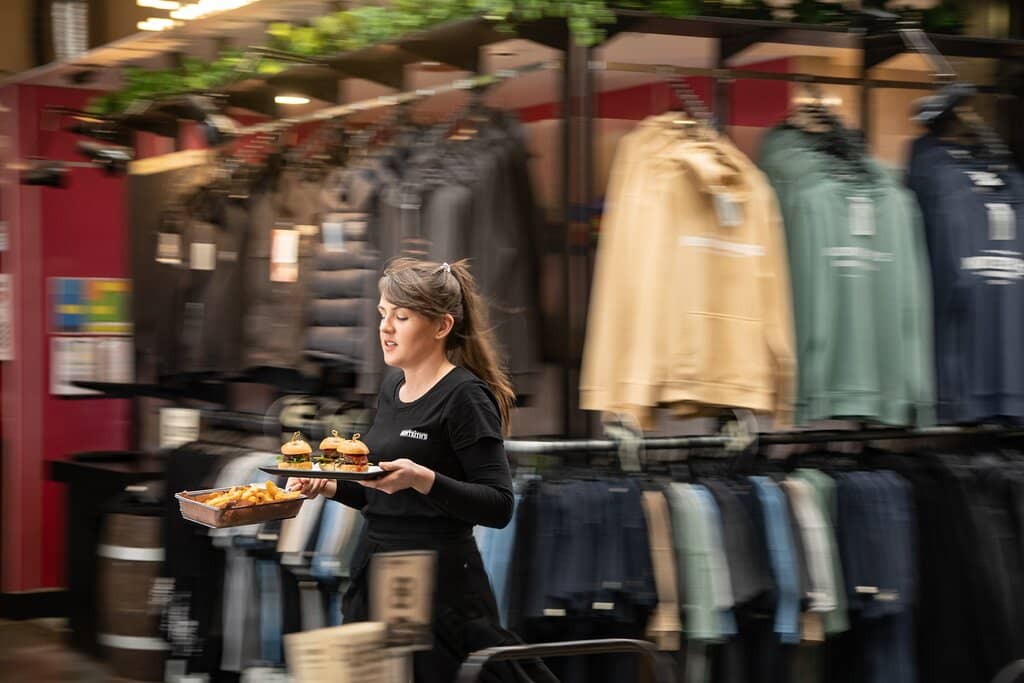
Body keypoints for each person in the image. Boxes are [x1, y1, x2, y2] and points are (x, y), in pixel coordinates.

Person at [289, 257, 548, 683]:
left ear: (442, 326)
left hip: (441, 586)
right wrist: (332, 487)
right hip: (376, 569)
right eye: (382, 314)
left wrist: (422, 478)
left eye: (402, 316)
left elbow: (499, 506)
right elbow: (382, 490)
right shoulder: (393, 387)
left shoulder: (466, 397)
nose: (385, 328)